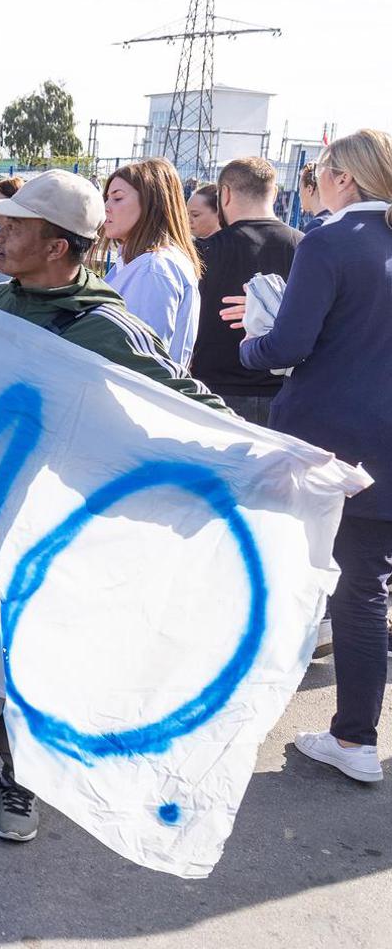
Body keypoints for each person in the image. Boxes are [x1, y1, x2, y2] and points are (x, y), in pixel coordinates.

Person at [0, 169, 228, 843]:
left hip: (46, 534)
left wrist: (280, 459)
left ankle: (22, 781)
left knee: (32, 657)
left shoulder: (105, 327)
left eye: (14, 227)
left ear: (57, 246)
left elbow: (187, 404)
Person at [234, 129, 392, 785]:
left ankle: (338, 735)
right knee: (365, 591)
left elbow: (285, 346)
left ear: (342, 178)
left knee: (312, 578)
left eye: (320, 168)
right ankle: (352, 737)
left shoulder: (329, 242)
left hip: (330, 445)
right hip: (377, 445)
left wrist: (249, 340)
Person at [189, 157, 300, 426]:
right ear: (273, 193)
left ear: (224, 194)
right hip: (284, 392)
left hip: (214, 393)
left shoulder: (202, 252)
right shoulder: (306, 247)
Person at [101, 158, 204, 368]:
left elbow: (140, 358)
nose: (106, 207)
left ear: (152, 203)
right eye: (107, 198)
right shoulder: (140, 262)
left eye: (117, 198)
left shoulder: (154, 268)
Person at [297, 161, 330, 233]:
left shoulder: (315, 227)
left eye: (300, 188)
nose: (299, 195)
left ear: (309, 189)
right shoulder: (338, 218)